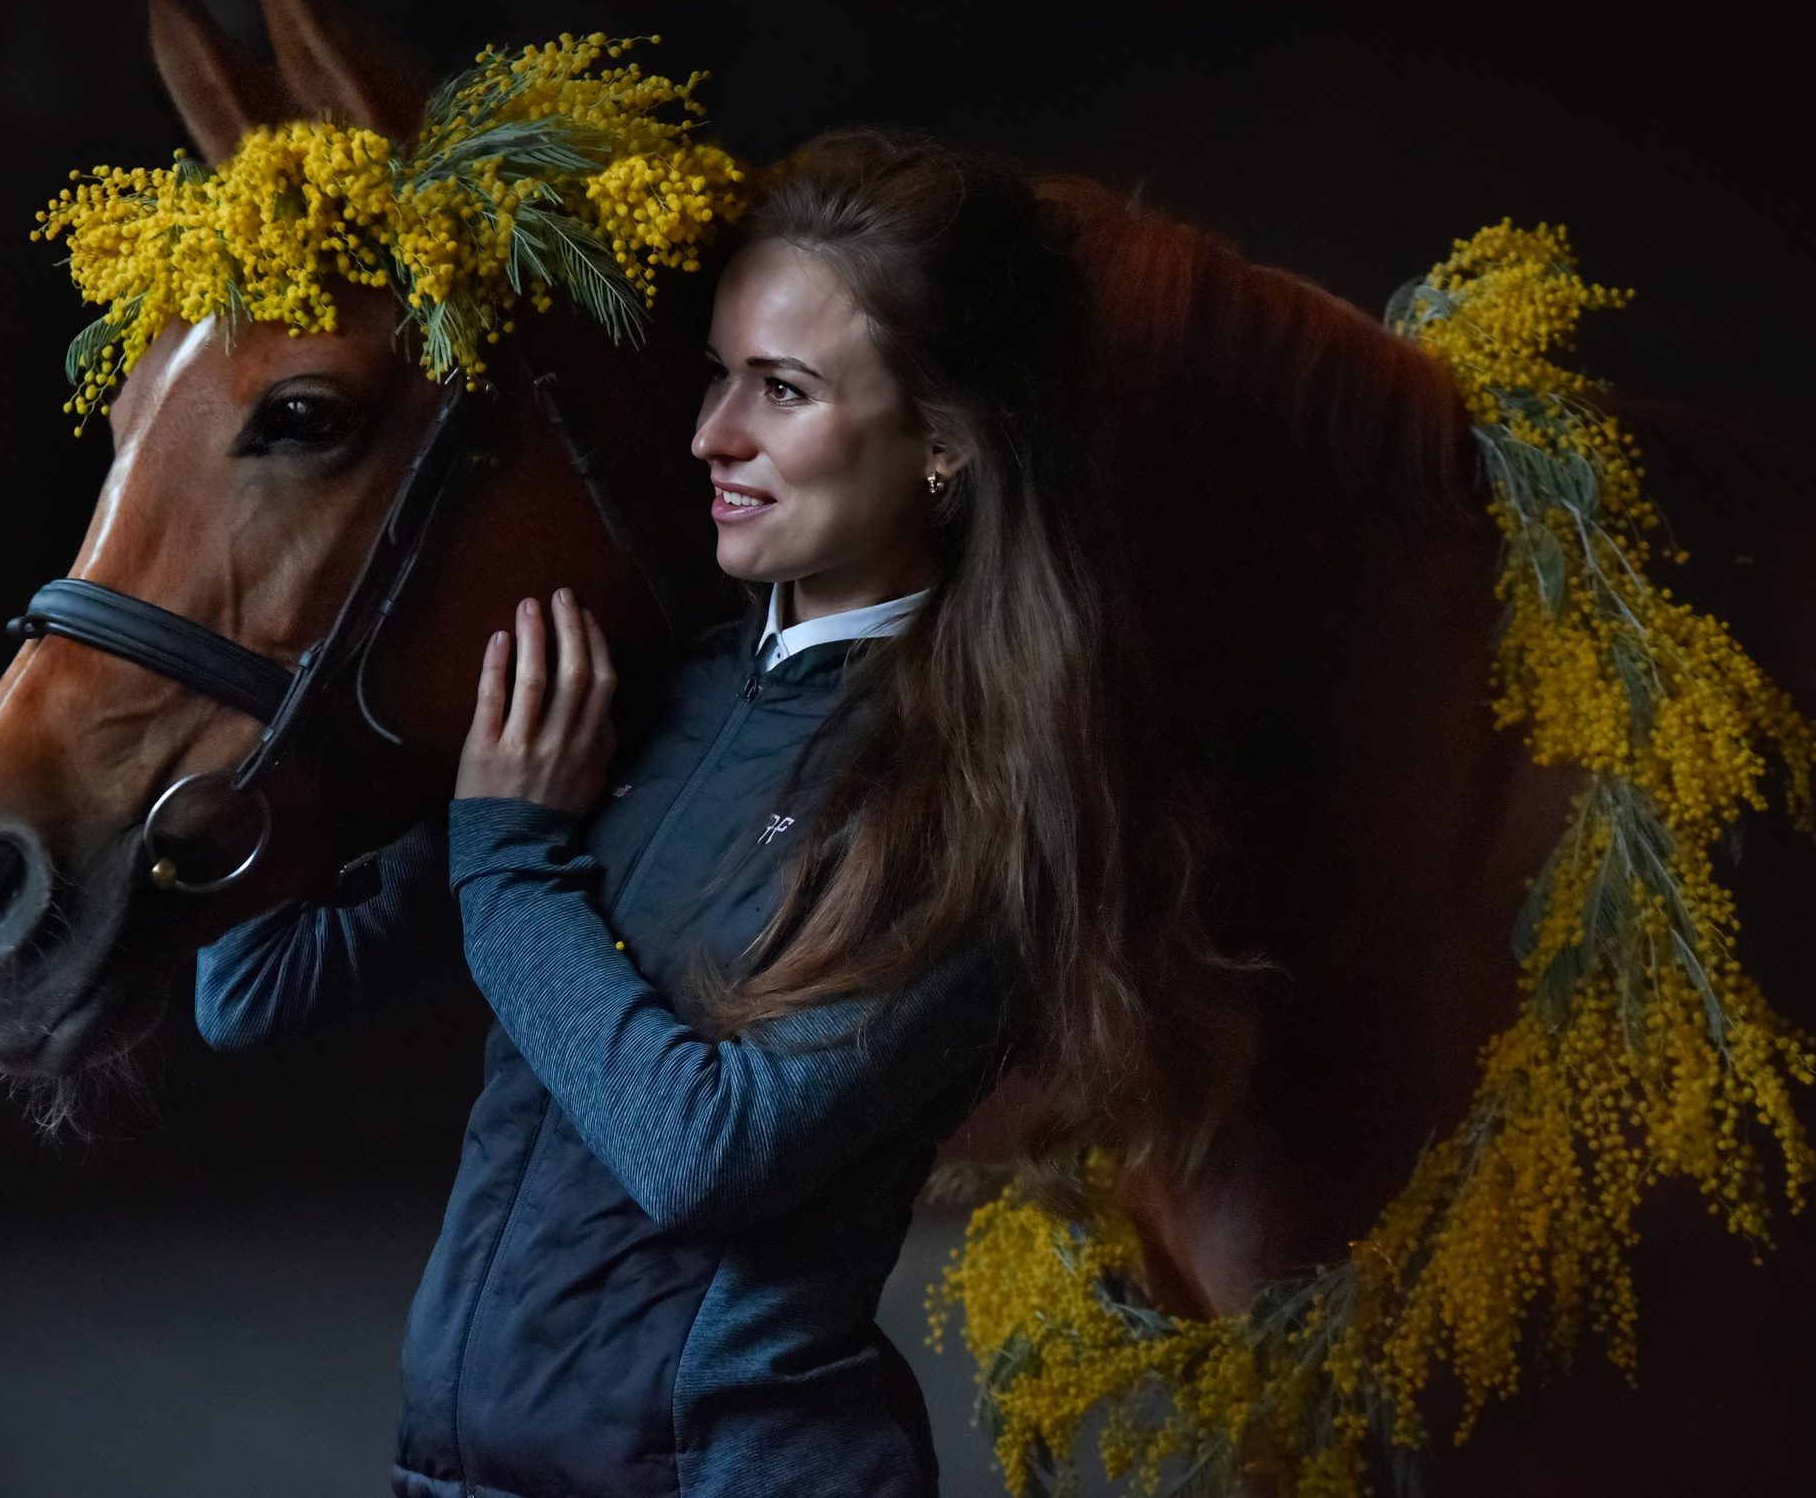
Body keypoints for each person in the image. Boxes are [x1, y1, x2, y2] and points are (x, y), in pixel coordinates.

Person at [197, 131, 1238, 1498]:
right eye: (717, 374)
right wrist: (278, 700)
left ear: (943, 441)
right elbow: (251, 989)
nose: (712, 435)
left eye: (783, 389)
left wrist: (506, 853)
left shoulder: (986, 789)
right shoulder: (633, 698)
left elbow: (710, 1152)